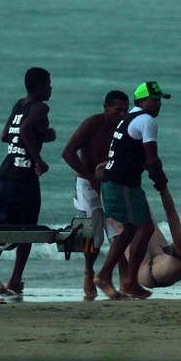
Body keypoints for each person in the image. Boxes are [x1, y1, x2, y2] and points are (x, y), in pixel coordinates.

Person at [94, 81, 171, 300]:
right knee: (144, 228)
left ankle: (104, 275)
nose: (158, 105)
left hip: (112, 182)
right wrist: (160, 180)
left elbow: (133, 153)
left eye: (160, 100)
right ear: (141, 100)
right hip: (122, 184)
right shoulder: (146, 121)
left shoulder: (129, 118)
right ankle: (128, 281)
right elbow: (152, 159)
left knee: (128, 231)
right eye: (155, 100)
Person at [0, 67, 56, 298]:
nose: (51, 88)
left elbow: (7, 135)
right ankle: (7, 276)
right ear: (38, 87)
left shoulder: (19, 105)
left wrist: (43, 136)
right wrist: (39, 160)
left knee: (4, 227)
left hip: (5, 174)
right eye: (48, 84)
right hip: (24, 176)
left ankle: (0, 272)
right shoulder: (41, 107)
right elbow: (25, 130)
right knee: (27, 229)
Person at [61, 90, 131, 301]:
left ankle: (123, 281)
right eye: (118, 110)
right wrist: (90, 176)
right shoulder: (92, 124)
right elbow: (68, 152)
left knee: (120, 234)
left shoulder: (125, 127)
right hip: (87, 184)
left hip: (112, 184)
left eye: (125, 110)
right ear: (106, 107)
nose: (122, 114)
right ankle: (88, 272)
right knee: (92, 236)